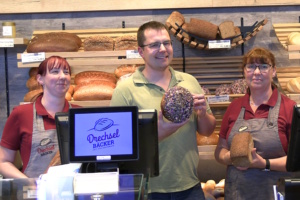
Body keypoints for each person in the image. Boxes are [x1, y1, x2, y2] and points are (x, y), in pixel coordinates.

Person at [110, 21, 216, 200]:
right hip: (147, 190)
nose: (163, 49)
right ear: (141, 52)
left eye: (167, 43)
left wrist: (202, 113)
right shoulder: (125, 90)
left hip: (190, 186)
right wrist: (157, 134)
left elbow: (207, 130)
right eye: (154, 45)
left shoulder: (189, 81)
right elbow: (117, 144)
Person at [214, 47, 296, 200]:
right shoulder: (234, 107)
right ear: (244, 71)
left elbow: (297, 161)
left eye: (264, 66)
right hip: (238, 193)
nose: (256, 72)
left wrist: (264, 163)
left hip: (276, 193)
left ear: (274, 71)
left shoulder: (289, 108)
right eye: (251, 66)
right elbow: (220, 150)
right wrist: (229, 158)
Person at [0, 56, 78, 178]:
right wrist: (27, 182)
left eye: (66, 72)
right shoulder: (21, 114)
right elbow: (3, 161)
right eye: (55, 72)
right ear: (40, 79)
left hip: (75, 193)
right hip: (35, 194)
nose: (62, 76)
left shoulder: (80, 114)